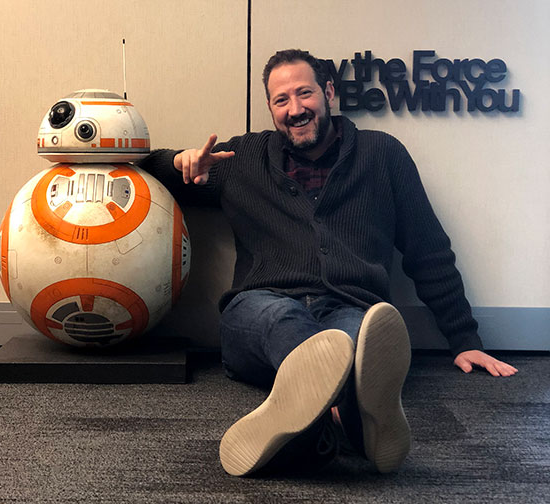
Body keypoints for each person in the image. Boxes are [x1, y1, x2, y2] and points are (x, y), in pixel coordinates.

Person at [138, 49, 518, 477]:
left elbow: (427, 249)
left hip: (349, 305)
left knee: (361, 338)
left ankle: (311, 423)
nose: (295, 109)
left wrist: (464, 338)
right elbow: (143, 169)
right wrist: (178, 161)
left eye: (305, 94)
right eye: (281, 100)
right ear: (270, 108)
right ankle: (351, 416)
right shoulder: (241, 158)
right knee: (288, 321)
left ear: (329, 92)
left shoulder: (383, 154)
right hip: (259, 308)